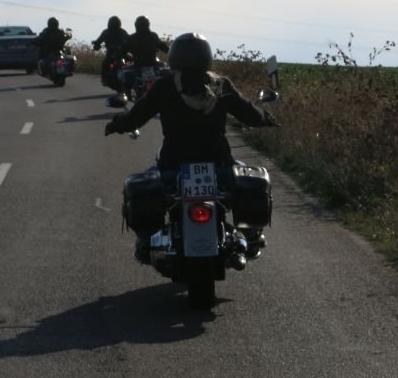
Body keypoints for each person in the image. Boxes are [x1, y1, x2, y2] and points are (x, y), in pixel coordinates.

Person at [104, 32, 278, 262]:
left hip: (173, 163)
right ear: (206, 57)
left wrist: (116, 124)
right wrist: (266, 118)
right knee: (248, 179)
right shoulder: (220, 84)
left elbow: (138, 115)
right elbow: (248, 112)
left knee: (144, 186)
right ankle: (252, 235)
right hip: (219, 162)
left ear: (175, 58)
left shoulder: (165, 85)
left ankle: (146, 240)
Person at [112, 15, 170, 99]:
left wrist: (116, 57)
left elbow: (122, 51)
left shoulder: (132, 38)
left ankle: (128, 94)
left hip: (139, 66)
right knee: (166, 71)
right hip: (152, 65)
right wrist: (171, 51)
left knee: (122, 74)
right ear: (148, 25)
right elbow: (164, 48)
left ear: (136, 25)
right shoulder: (153, 36)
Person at [92, 16, 129, 104]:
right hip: (122, 55)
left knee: (105, 64)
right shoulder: (122, 31)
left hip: (113, 55)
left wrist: (96, 44)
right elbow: (129, 40)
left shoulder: (106, 32)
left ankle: (104, 80)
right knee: (129, 62)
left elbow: (99, 41)